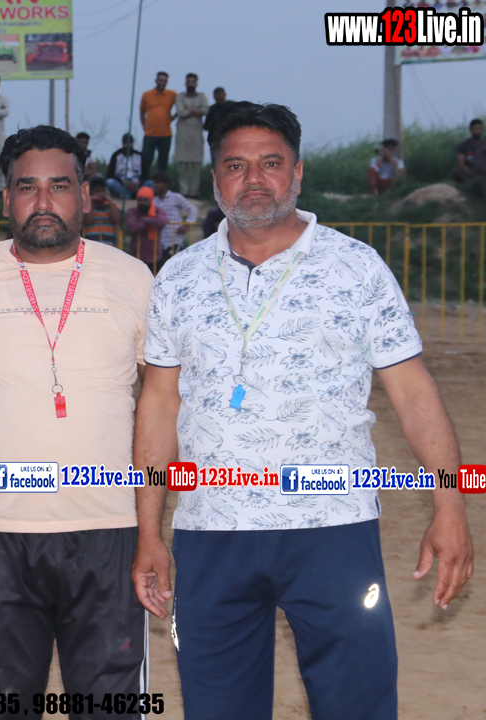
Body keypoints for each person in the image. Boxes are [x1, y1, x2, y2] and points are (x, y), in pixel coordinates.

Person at [132, 102, 474, 720]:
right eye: (235, 165)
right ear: (215, 176)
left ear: (297, 172)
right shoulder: (178, 278)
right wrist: (150, 531)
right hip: (211, 530)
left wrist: (450, 508)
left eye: (271, 163)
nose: (253, 179)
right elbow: (158, 403)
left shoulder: (357, 268)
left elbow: (413, 392)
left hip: (334, 527)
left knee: (357, 706)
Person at [0, 125, 154, 718]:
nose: (44, 200)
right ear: (8, 199)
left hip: (109, 526)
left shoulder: (133, 279)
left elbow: (160, 398)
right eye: (28, 187)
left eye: (60, 185)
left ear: (86, 195)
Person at [173, 73, 208, 198]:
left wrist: (188, 109)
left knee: (196, 164)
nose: (191, 84)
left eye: (193, 82)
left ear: (196, 83)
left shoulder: (202, 96)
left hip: (196, 134)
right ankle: (183, 192)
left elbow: (205, 110)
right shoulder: (180, 96)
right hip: (182, 134)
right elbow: (180, 112)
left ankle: (194, 192)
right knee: (183, 164)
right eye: (189, 81)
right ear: (185, 83)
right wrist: (196, 110)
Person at [139, 71, 177, 183]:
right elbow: (142, 111)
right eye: (160, 80)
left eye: (164, 81)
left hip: (165, 134)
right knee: (146, 160)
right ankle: (143, 184)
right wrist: (144, 125)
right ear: (156, 81)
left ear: (167, 82)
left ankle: (162, 185)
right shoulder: (147, 94)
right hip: (149, 134)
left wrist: (173, 117)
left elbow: (181, 106)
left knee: (163, 162)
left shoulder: (172, 94)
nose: (162, 83)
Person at [152, 170, 199, 255]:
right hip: (160, 244)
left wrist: (186, 225)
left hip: (175, 242)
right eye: (155, 183)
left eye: (158, 183)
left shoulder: (176, 197)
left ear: (165, 184)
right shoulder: (154, 202)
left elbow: (193, 210)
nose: (155, 185)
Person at [124, 186, 168, 268]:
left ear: (150, 200)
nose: (142, 202)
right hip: (135, 257)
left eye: (145, 200)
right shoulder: (132, 211)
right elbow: (134, 227)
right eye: (140, 200)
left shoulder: (158, 211)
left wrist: (144, 220)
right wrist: (152, 222)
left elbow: (162, 222)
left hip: (155, 257)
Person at [82, 175, 121, 244]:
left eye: (103, 190)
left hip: (108, 246)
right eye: (97, 191)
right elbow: (88, 220)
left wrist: (109, 201)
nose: (101, 194)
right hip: (91, 246)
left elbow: (117, 219)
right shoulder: (85, 206)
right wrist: (91, 200)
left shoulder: (112, 205)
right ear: (91, 192)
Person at [107, 133, 143, 199]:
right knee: (109, 182)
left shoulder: (139, 156)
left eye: (130, 143)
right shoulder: (116, 155)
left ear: (133, 143)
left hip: (137, 184)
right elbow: (110, 175)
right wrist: (124, 182)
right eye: (126, 143)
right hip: (122, 183)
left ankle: (140, 194)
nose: (128, 145)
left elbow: (145, 174)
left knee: (150, 183)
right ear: (123, 143)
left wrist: (138, 183)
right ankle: (129, 195)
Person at [454, 118, 483, 186]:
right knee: (457, 172)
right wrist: (471, 173)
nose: (478, 131)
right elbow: (461, 163)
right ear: (471, 130)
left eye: (479, 129)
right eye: (475, 129)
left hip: (482, 171)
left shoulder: (484, 144)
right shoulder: (464, 145)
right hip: (468, 171)